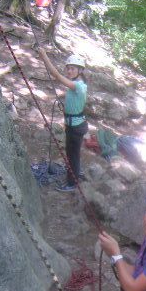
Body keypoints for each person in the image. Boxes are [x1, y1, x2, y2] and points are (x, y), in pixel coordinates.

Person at [36, 50, 88, 192]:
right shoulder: (77, 84)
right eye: (68, 68)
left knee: (72, 155)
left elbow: (57, 76)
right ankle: (76, 173)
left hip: (75, 127)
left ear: (80, 70)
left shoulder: (78, 86)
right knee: (73, 154)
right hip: (74, 125)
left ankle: (72, 183)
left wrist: (44, 56)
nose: (69, 71)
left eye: (72, 68)